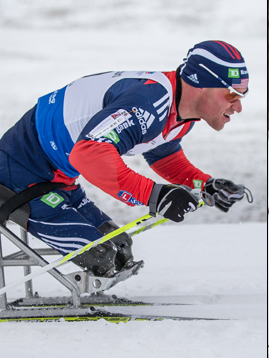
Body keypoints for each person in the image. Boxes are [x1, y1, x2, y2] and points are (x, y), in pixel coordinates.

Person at [0, 40, 251, 278]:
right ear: (200, 84)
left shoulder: (181, 116)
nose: (238, 107)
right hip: (19, 171)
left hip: (58, 174)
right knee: (101, 255)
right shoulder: (149, 103)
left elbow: (164, 157)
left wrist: (204, 184)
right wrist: (155, 195)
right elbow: (89, 154)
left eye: (243, 95)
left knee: (120, 247)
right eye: (232, 95)